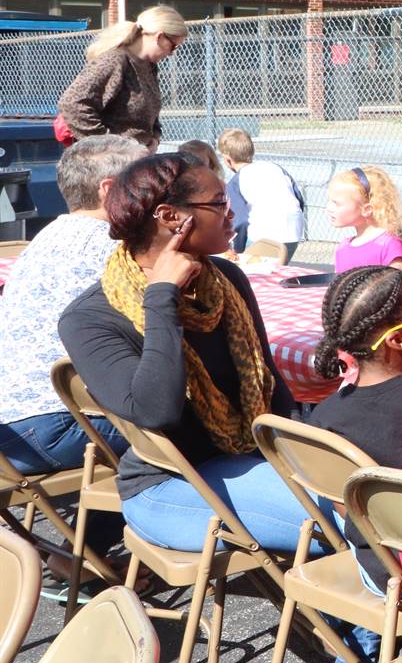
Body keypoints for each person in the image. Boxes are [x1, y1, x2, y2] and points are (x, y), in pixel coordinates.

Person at [57, 152, 306, 555]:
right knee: (354, 525)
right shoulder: (89, 318)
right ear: (170, 216)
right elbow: (156, 409)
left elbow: (273, 392)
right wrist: (161, 298)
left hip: (248, 457)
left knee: (368, 502)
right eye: (220, 202)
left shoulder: (226, 280)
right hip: (167, 485)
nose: (232, 213)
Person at [305, 264, 402, 663]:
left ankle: (358, 649)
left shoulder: (325, 417)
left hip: (377, 569)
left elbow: (344, 510)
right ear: (398, 338)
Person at [0, 136, 144, 477]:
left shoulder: (47, 236)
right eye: (146, 182)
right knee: (193, 430)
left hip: (11, 429)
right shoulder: (111, 247)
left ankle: (101, 528)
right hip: (57, 425)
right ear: (109, 190)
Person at [57, 5, 189, 150]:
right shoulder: (115, 61)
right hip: (106, 166)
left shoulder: (149, 66)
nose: (171, 54)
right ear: (159, 37)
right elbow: (72, 104)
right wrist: (110, 147)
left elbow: (150, 112)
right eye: (173, 46)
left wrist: (154, 138)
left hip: (135, 161)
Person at [218, 129, 306, 261]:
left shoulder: (237, 181)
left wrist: (239, 251)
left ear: (227, 160)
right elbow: (298, 198)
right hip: (293, 232)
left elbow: (239, 220)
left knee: (254, 272)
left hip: (264, 236)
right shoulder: (275, 168)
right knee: (276, 270)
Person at [328, 165, 402, 272]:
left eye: (337, 204)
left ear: (367, 209)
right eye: (330, 201)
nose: (328, 208)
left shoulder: (388, 245)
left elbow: (399, 283)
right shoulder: (342, 248)